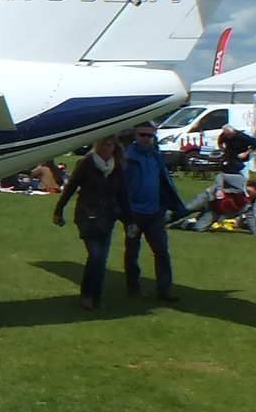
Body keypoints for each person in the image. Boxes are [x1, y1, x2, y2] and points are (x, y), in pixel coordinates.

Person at [52, 135, 128, 311]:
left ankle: (97, 296)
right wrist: (58, 210)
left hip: (107, 217)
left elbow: (123, 195)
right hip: (88, 216)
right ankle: (87, 295)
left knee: (101, 260)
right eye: (101, 144)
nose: (104, 148)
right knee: (96, 256)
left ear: (114, 148)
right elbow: (70, 188)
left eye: (108, 145)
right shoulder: (86, 164)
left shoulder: (117, 168)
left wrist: (130, 219)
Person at [123, 121, 185, 301]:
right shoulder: (127, 156)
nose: (146, 139)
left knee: (162, 251)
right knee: (132, 252)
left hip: (155, 211)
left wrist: (167, 203)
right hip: (134, 211)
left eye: (150, 136)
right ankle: (133, 288)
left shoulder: (155, 155)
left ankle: (164, 289)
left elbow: (164, 180)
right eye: (143, 135)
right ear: (135, 135)